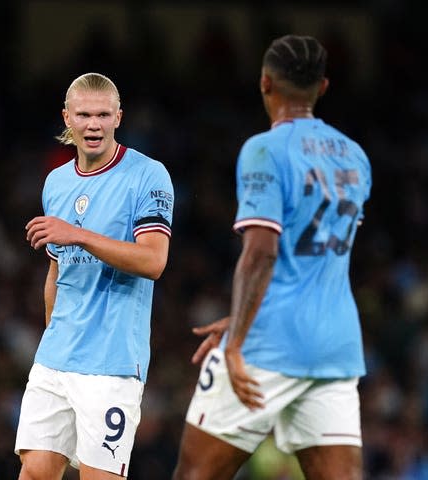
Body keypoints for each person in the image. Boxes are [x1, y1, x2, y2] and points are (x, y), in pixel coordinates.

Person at [173, 35, 372, 480]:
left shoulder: (264, 150)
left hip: (267, 345)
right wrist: (242, 316)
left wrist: (238, 340)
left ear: (264, 83)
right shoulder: (356, 158)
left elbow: (262, 253)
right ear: (322, 87)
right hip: (334, 346)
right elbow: (316, 262)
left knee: (195, 474)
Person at [15, 72, 174, 480]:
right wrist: (53, 338)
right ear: (67, 117)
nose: (93, 125)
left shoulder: (147, 175)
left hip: (112, 362)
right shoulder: (56, 183)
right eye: (84, 114)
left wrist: (79, 235)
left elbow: (154, 261)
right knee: (34, 471)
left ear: (119, 117)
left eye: (103, 114)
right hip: (57, 356)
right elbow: (56, 270)